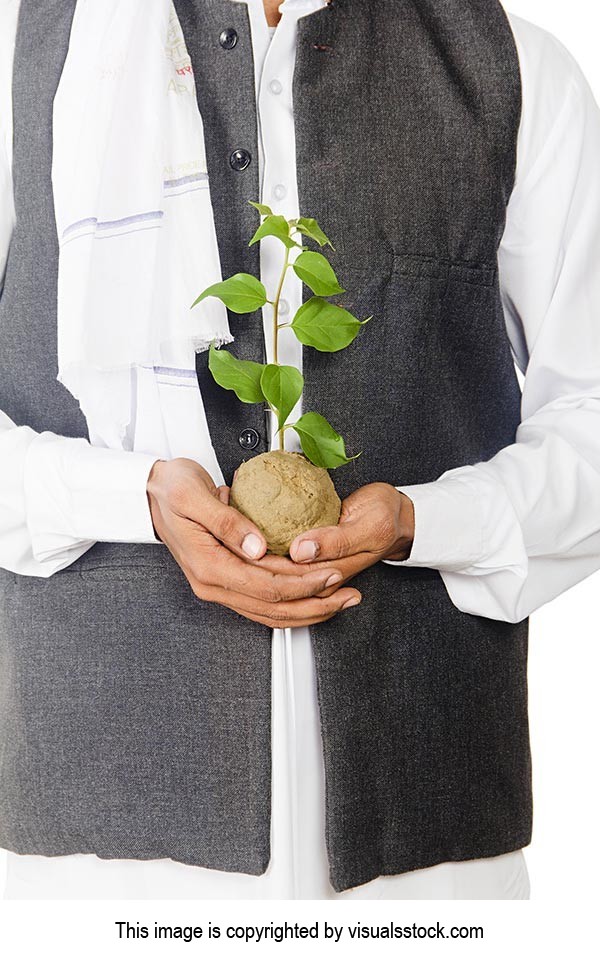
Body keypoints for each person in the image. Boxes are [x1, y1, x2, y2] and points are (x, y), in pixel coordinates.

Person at [1, 0, 600, 900]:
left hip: (430, 868)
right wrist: (126, 497)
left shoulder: (512, 64)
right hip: (98, 865)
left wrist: (426, 522)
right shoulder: (23, 48)